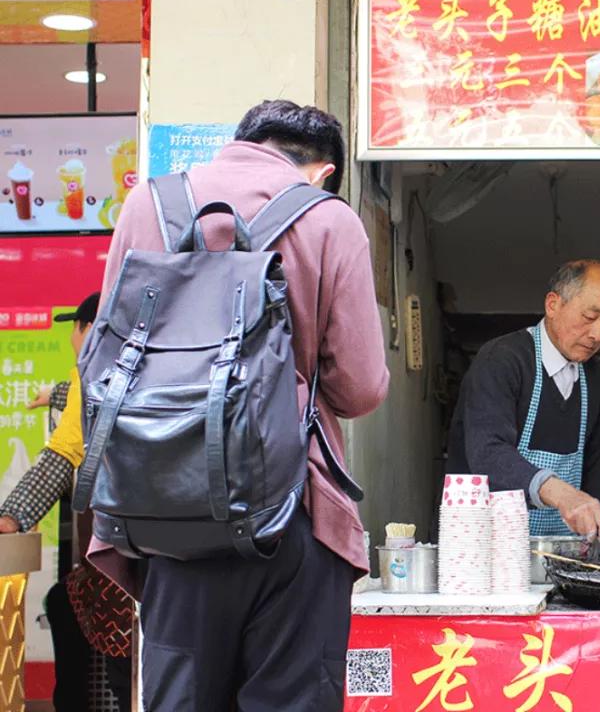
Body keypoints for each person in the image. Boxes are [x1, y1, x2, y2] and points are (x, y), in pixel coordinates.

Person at [92, 100, 389, 710]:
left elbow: (105, 354)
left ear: (241, 143)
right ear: (323, 170)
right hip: (291, 509)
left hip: (166, 512)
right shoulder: (329, 219)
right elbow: (359, 388)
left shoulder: (148, 204)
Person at [0, 292, 133, 711]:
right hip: (173, 552)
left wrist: (13, 514)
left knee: (70, 606)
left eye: (74, 330)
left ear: (89, 330)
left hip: (122, 556)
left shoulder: (90, 369)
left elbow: (65, 452)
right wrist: (55, 394)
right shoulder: (148, 361)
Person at [446, 260, 600, 546]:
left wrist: (592, 542)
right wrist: (560, 494)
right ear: (553, 305)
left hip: (558, 554)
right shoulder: (502, 360)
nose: (597, 335)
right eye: (590, 317)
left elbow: (596, 472)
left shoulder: (596, 379)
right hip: (480, 551)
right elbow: (487, 452)